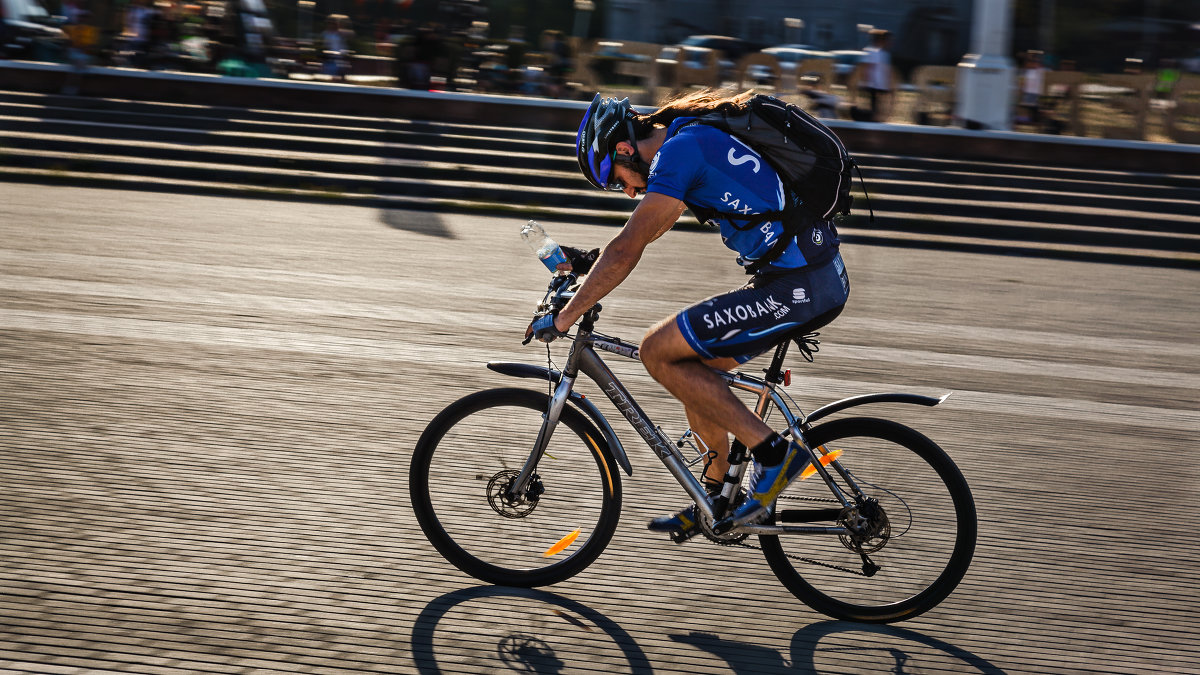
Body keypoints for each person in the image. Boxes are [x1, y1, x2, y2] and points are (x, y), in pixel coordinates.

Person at [528, 90, 851, 538]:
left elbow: (629, 247)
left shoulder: (682, 149)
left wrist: (564, 318)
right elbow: (643, 232)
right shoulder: (685, 142)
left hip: (803, 284)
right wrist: (585, 263)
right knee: (694, 371)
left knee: (657, 351)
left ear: (624, 149)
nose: (626, 189)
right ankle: (714, 499)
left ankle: (774, 453)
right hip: (799, 277)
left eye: (616, 178)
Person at [857, 29, 892, 122]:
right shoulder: (872, 52)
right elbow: (868, 67)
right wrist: (867, 80)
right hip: (874, 83)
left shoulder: (884, 53)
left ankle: (875, 116)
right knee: (873, 100)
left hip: (879, 82)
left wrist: (886, 82)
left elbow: (884, 69)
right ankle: (872, 117)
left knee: (877, 101)